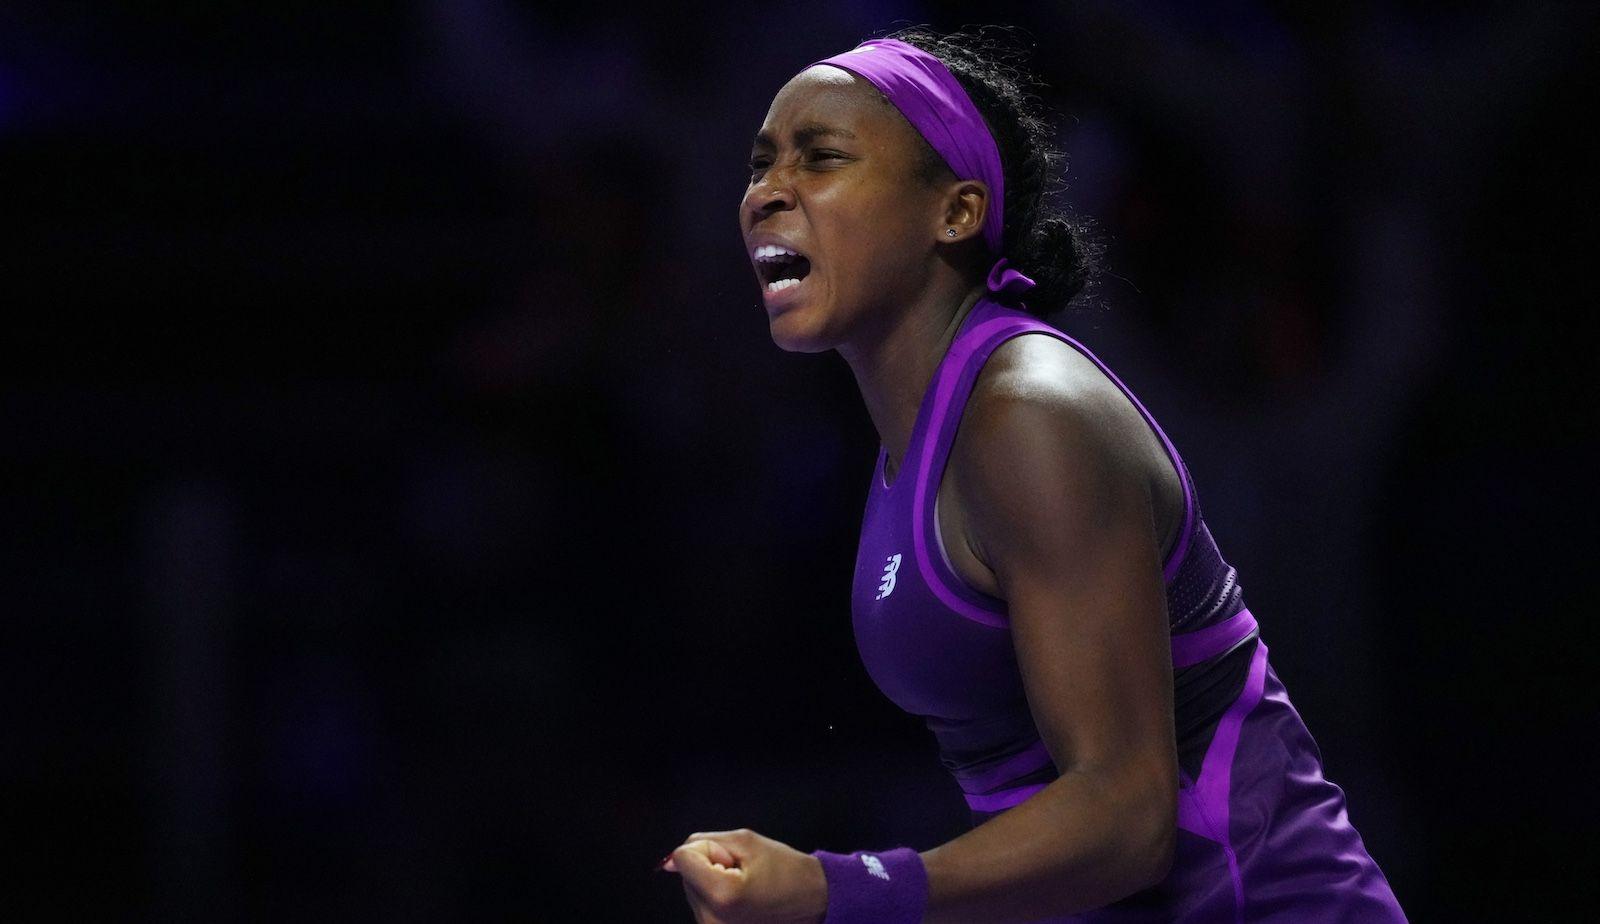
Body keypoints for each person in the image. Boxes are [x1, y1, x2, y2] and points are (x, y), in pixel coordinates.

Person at [660, 27, 1406, 923]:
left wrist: (835, 888)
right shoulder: (919, 433)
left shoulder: (1028, 415)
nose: (767, 192)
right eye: (760, 164)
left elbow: (1130, 818)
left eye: (821, 158)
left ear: (957, 211)